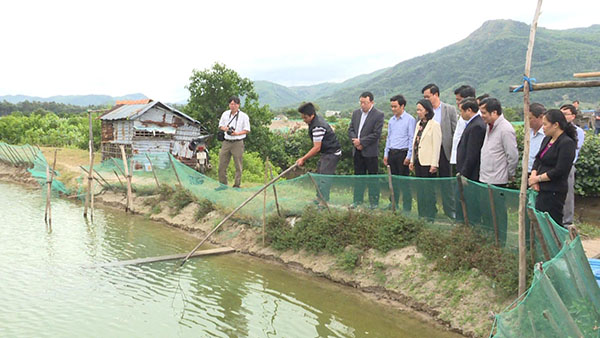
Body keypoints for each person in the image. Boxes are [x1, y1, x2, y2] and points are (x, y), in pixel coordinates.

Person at [479, 97, 518, 246]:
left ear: (494, 112)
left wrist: (508, 174)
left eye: (484, 113)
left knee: (498, 215)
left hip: (498, 180)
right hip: (485, 177)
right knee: (488, 214)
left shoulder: (505, 129)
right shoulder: (490, 126)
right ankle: (490, 241)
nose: (482, 115)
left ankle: (500, 243)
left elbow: (512, 155)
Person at [528, 109, 577, 227]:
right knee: (540, 224)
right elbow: (538, 159)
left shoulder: (566, 143)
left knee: (551, 225)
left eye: (545, 124)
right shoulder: (547, 139)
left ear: (556, 125)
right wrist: (533, 176)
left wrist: (538, 179)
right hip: (541, 189)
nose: (543, 127)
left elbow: (560, 170)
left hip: (554, 191)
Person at [422, 83, 457, 218]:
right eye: (424, 97)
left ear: (436, 95)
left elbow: (454, 132)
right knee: (429, 183)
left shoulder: (449, 110)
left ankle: (450, 210)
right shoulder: (424, 112)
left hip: (444, 151)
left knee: (446, 181)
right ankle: (431, 210)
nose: (426, 99)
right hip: (428, 153)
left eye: (428, 96)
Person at [296, 102, 342, 203]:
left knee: (324, 178)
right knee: (320, 175)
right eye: (302, 117)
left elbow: (316, 148)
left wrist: (303, 159)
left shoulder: (318, 126)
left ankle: (324, 202)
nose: (304, 120)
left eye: (305, 118)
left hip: (332, 153)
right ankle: (319, 198)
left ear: (312, 115)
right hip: (326, 153)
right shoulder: (314, 121)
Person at [348, 91, 384, 208]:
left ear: (371, 102)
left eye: (365, 103)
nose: (362, 105)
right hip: (357, 150)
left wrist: (362, 142)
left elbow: (376, 134)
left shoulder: (378, 114)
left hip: (370, 152)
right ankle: (357, 200)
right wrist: (355, 141)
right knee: (359, 177)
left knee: (372, 177)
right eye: (361, 102)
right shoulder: (356, 113)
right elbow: (351, 129)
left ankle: (374, 202)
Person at [409, 99, 442, 220]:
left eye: (420, 110)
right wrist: (412, 160)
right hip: (418, 161)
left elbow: (436, 146)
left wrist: (434, 164)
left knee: (429, 190)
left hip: (428, 163)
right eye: (417, 109)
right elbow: (415, 143)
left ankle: (430, 215)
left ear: (427, 110)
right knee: (420, 190)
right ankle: (421, 214)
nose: (418, 112)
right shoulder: (418, 124)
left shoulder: (435, 125)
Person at [383, 94, 416, 212]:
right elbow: (389, 137)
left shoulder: (410, 119)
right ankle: (393, 204)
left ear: (402, 106)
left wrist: (409, 156)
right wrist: (386, 154)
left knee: (404, 182)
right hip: (392, 153)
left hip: (403, 154)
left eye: (395, 106)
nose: (393, 109)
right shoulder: (391, 120)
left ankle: (407, 207)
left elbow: (411, 138)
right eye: (391, 107)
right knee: (393, 181)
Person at [559, 103, 585, 226]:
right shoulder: (558, 129)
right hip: (556, 166)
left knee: (568, 195)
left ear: (573, 116)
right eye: (561, 114)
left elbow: (574, 151)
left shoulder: (578, 132)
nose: (563, 117)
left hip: (568, 166)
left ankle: (567, 222)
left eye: (565, 114)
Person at [217, 96, 250, 188]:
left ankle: (237, 185)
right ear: (229, 105)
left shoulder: (244, 116)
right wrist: (226, 129)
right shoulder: (225, 114)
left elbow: (247, 130)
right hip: (226, 141)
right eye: (231, 104)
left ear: (238, 105)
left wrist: (237, 133)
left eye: (235, 104)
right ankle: (223, 185)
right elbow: (220, 126)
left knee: (238, 165)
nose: (233, 106)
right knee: (222, 165)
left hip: (238, 142)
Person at [456, 98, 486, 182]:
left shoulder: (477, 126)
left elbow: (472, 153)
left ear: (469, 110)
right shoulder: (472, 123)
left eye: (461, 111)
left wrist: (464, 174)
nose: (461, 114)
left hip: (471, 174)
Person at [451, 85, 476, 168]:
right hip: (458, 159)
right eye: (456, 100)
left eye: (459, 100)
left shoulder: (476, 120)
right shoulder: (462, 117)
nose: (457, 102)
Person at [528, 103, 546, 174]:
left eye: (530, 118)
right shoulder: (528, 132)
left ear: (541, 117)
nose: (527, 121)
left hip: (539, 174)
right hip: (527, 172)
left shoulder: (546, 135)